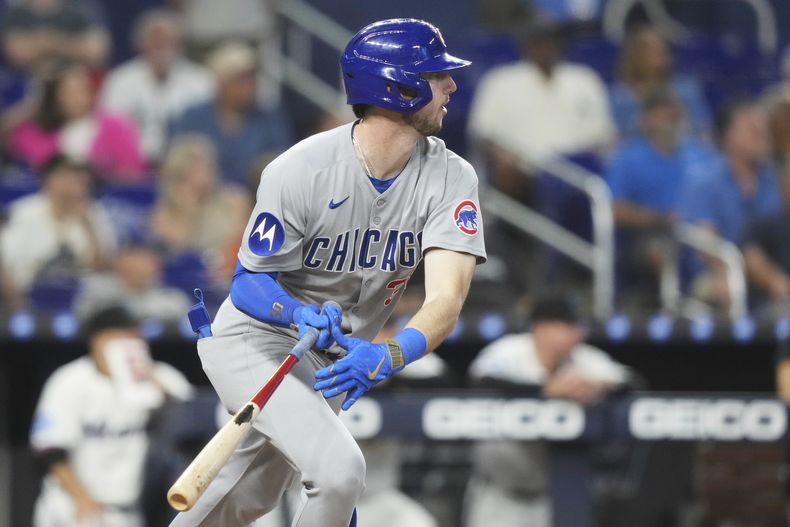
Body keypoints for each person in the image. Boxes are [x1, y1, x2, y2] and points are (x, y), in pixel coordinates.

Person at [169, 18, 486, 527]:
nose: (450, 85)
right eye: (435, 75)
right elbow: (247, 282)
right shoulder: (301, 168)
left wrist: (388, 354)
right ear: (398, 88)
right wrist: (296, 313)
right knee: (339, 473)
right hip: (256, 342)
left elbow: (446, 301)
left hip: (331, 360)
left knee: (244, 495)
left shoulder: (452, 176)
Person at [463, 296, 631, 527]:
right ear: (541, 328)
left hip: (555, 496)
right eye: (567, 326)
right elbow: (480, 381)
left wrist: (598, 386)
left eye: (577, 326)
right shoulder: (510, 351)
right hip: (500, 495)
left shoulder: (584, 358)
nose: (577, 334)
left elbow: (631, 382)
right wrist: (544, 389)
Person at [30, 305, 193, 527]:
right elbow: (49, 452)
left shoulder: (161, 378)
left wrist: (150, 381)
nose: (131, 344)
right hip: (73, 506)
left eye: (135, 337)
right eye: (121, 338)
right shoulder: (69, 381)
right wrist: (81, 498)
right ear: (98, 341)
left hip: (127, 510)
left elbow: (193, 421)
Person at [468, 16, 615, 193]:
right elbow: (483, 133)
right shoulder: (500, 80)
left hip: (576, 170)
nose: (545, 47)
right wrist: (505, 159)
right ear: (526, 44)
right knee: (507, 174)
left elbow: (603, 134)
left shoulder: (584, 79)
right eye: (538, 41)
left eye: (551, 40)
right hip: (524, 173)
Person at [605, 90, 715, 305]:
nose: (670, 120)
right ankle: (678, 305)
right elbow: (615, 210)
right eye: (663, 115)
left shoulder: (699, 155)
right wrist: (662, 218)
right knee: (660, 251)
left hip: (700, 229)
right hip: (651, 233)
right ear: (646, 119)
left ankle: (711, 300)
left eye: (674, 114)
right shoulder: (627, 158)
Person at [679, 101, 781, 308]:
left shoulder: (775, 179)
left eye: (761, 128)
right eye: (750, 128)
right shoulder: (705, 182)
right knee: (724, 283)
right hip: (721, 268)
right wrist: (729, 267)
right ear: (728, 137)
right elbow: (706, 243)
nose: (760, 134)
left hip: (769, 267)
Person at [99, 8, 214, 164]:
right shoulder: (120, 80)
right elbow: (111, 130)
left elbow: (208, 130)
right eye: (157, 41)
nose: (164, 48)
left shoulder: (200, 80)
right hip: (133, 166)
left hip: (185, 165)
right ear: (142, 43)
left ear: (180, 45)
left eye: (170, 41)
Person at [0, 154, 116, 309]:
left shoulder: (94, 214)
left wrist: (88, 227)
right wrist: (15, 300)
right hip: (28, 296)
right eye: (67, 175)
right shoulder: (24, 213)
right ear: (48, 179)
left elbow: (102, 269)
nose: (76, 181)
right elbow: (4, 262)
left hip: (80, 301)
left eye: (80, 175)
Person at [169, 41, 293, 186]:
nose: (249, 86)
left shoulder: (269, 118)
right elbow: (177, 163)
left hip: (257, 193)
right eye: (241, 80)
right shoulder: (193, 118)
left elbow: (283, 161)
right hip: (203, 192)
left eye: (252, 79)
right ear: (221, 83)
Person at [8, 62, 146, 182]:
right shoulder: (36, 131)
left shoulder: (116, 126)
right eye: (68, 92)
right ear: (54, 96)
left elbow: (132, 173)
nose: (77, 98)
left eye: (82, 89)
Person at [150, 134, 252, 284]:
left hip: (230, 276)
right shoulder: (164, 215)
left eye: (208, 166)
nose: (205, 174)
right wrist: (188, 209)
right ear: (179, 174)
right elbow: (180, 253)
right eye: (196, 168)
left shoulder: (233, 200)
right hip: (187, 282)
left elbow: (247, 244)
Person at [609, 25, 712, 140]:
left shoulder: (686, 90)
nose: (658, 54)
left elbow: (703, 130)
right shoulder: (619, 96)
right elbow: (614, 136)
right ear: (634, 55)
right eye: (648, 50)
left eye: (662, 49)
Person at [73, 236, 192, 322]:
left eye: (152, 257)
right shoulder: (97, 292)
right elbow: (82, 321)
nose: (149, 263)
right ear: (120, 259)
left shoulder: (173, 299)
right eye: (140, 256)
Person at [1, 0, 111, 71]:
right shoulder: (17, 11)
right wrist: (74, 45)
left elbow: (96, 51)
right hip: (28, 85)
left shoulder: (82, 7)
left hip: (76, 82)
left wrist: (49, 42)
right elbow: (17, 54)